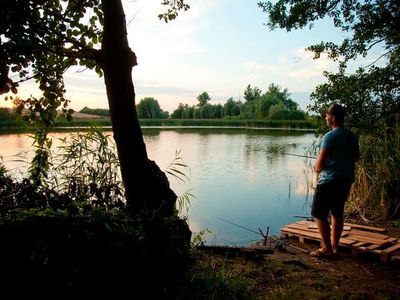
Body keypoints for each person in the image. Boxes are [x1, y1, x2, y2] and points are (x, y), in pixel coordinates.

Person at [310, 103, 360, 258]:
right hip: (345, 180)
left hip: (329, 181)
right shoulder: (352, 135)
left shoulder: (329, 136)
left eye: (327, 115)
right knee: (337, 213)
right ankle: (334, 247)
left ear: (332, 117)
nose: (325, 117)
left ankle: (326, 248)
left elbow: (319, 165)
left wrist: (316, 167)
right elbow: (357, 157)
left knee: (319, 213)